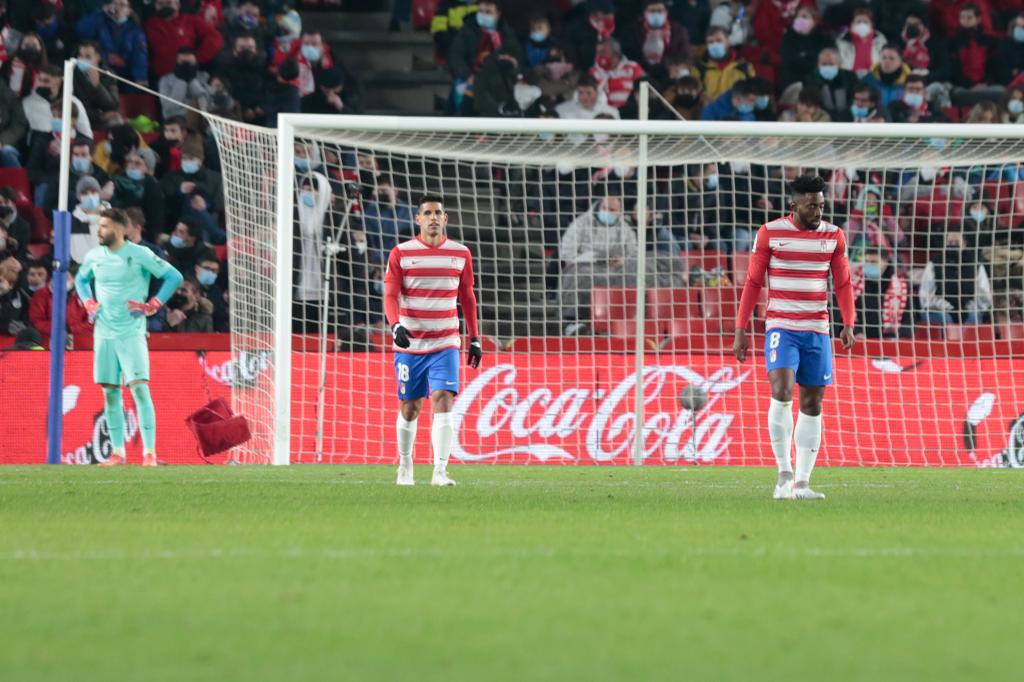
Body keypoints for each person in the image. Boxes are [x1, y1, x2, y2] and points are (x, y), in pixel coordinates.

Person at [733, 175, 856, 500]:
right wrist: (741, 328)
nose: (818, 211)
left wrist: (849, 322)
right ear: (794, 205)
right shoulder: (771, 233)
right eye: (812, 205)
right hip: (781, 327)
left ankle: (802, 483)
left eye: (821, 205)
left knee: (813, 403)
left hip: (817, 330)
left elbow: (843, 284)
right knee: (782, 389)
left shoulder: (833, 236)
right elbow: (753, 282)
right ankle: (783, 473)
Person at [383, 194, 481, 487]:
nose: (433, 217)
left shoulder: (461, 253)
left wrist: (474, 337)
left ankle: (440, 471)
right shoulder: (402, 252)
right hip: (410, 344)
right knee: (410, 407)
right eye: (427, 213)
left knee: (443, 399)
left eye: (438, 212)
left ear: (445, 218)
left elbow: (467, 297)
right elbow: (390, 294)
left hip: (446, 341)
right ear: (418, 219)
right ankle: (405, 465)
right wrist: (395, 324)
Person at [74, 208, 184, 466]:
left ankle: (149, 453)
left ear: (120, 230)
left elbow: (173, 276)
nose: (99, 231)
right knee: (110, 394)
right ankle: (118, 453)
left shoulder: (139, 254)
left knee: (140, 390)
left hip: (131, 332)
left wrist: (153, 304)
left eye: (104, 226)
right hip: (104, 333)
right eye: (99, 226)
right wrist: (88, 302)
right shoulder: (94, 256)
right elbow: (80, 280)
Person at [919, 230, 992, 324]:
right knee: (946, 319)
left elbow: (984, 295)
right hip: (939, 310)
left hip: (969, 309)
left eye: (956, 243)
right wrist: (945, 307)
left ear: (964, 244)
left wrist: (968, 307)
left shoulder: (976, 265)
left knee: (973, 317)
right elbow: (925, 296)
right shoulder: (934, 264)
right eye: (950, 243)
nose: (953, 245)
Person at [74, 0, 149, 85]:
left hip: (125, 77)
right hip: (101, 72)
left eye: (122, 5)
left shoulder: (135, 32)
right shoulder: (100, 22)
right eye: (114, 3)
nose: (117, 7)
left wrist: (141, 78)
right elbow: (80, 31)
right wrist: (101, 12)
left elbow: (140, 57)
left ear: (129, 11)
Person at [144, 0, 223, 79]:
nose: (164, 6)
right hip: (160, 77)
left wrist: (198, 57)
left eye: (168, 2)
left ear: (178, 4)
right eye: (160, 3)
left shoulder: (190, 20)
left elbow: (215, 37)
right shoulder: (149, 24)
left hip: (188, 74)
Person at [157, 46, 212, 119]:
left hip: (200, 120)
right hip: (174, 120)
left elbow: (209, 105)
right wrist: (181, 81)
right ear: (176, 62)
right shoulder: (165, 80)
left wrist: (192, 81)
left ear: (196, 62)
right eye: (183, 63)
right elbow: (168, 107)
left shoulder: (205, 77)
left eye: (189, 63)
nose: (186, 66)